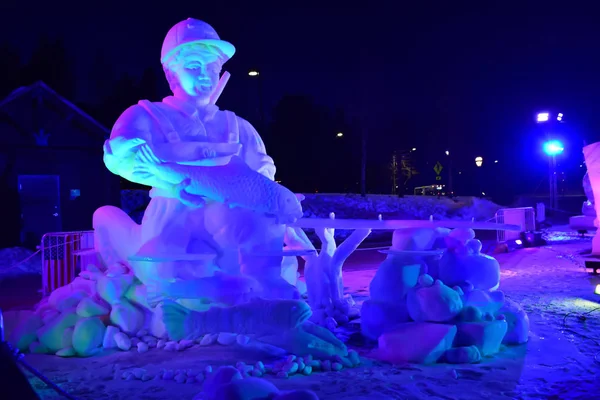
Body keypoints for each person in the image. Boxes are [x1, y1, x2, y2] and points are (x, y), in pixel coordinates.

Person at [97, 18, 291, 295]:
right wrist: (128, 150)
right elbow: (119, 156)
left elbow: (262, 172)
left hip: (227, 218)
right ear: (171, 74)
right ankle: (177, 302)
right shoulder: (145, 115)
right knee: (168, 264)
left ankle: (262, 292)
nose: (205, 75)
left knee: (259, 230)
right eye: (193, 66)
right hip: (171, 213)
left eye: (212, 67)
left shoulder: (237, 127)